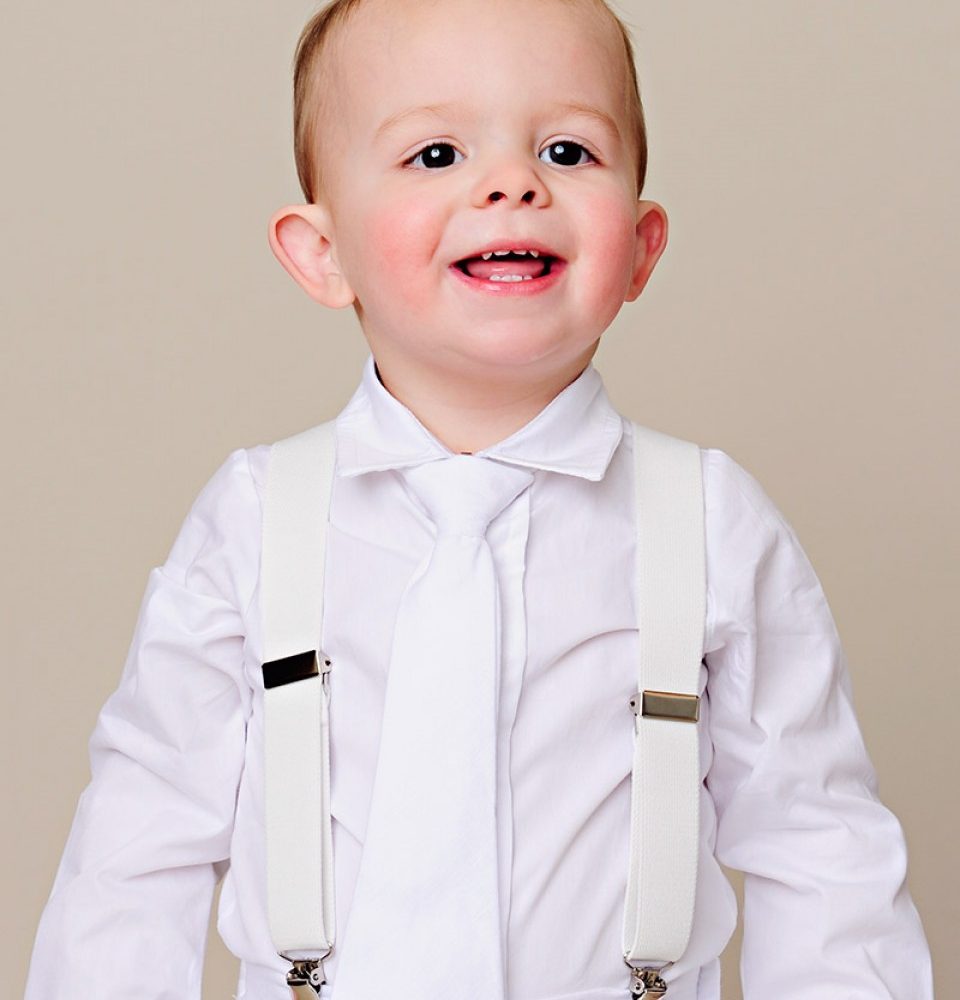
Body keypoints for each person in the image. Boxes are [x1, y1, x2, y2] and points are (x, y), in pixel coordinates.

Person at [25, 0, 935, 997]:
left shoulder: (713, 522)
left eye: (567, 150)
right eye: (436, 154)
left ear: (640, 246)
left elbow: (823, 851)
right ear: (323, 253)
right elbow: (135, 848)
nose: (513, 183)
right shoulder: (255, 519)